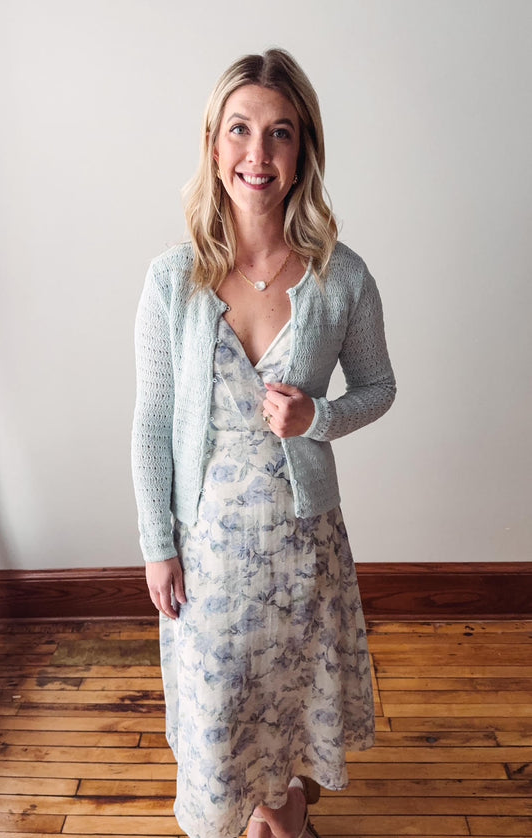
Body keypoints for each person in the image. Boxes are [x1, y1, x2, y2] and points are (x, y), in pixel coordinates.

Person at [132, 48, 395, 838]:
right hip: (206, 548)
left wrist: (317, 417)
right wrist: (156, 545)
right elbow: (150, 421)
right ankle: (256, 813)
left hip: (301, 545)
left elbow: (378, 388)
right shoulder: (172, 280)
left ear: (302, 149)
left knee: (290, 697)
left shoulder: (341, 278)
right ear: (214, 144)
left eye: (279, 132)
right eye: (240, 129)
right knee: (220, 707)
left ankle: (280, 812)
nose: (258, 153)